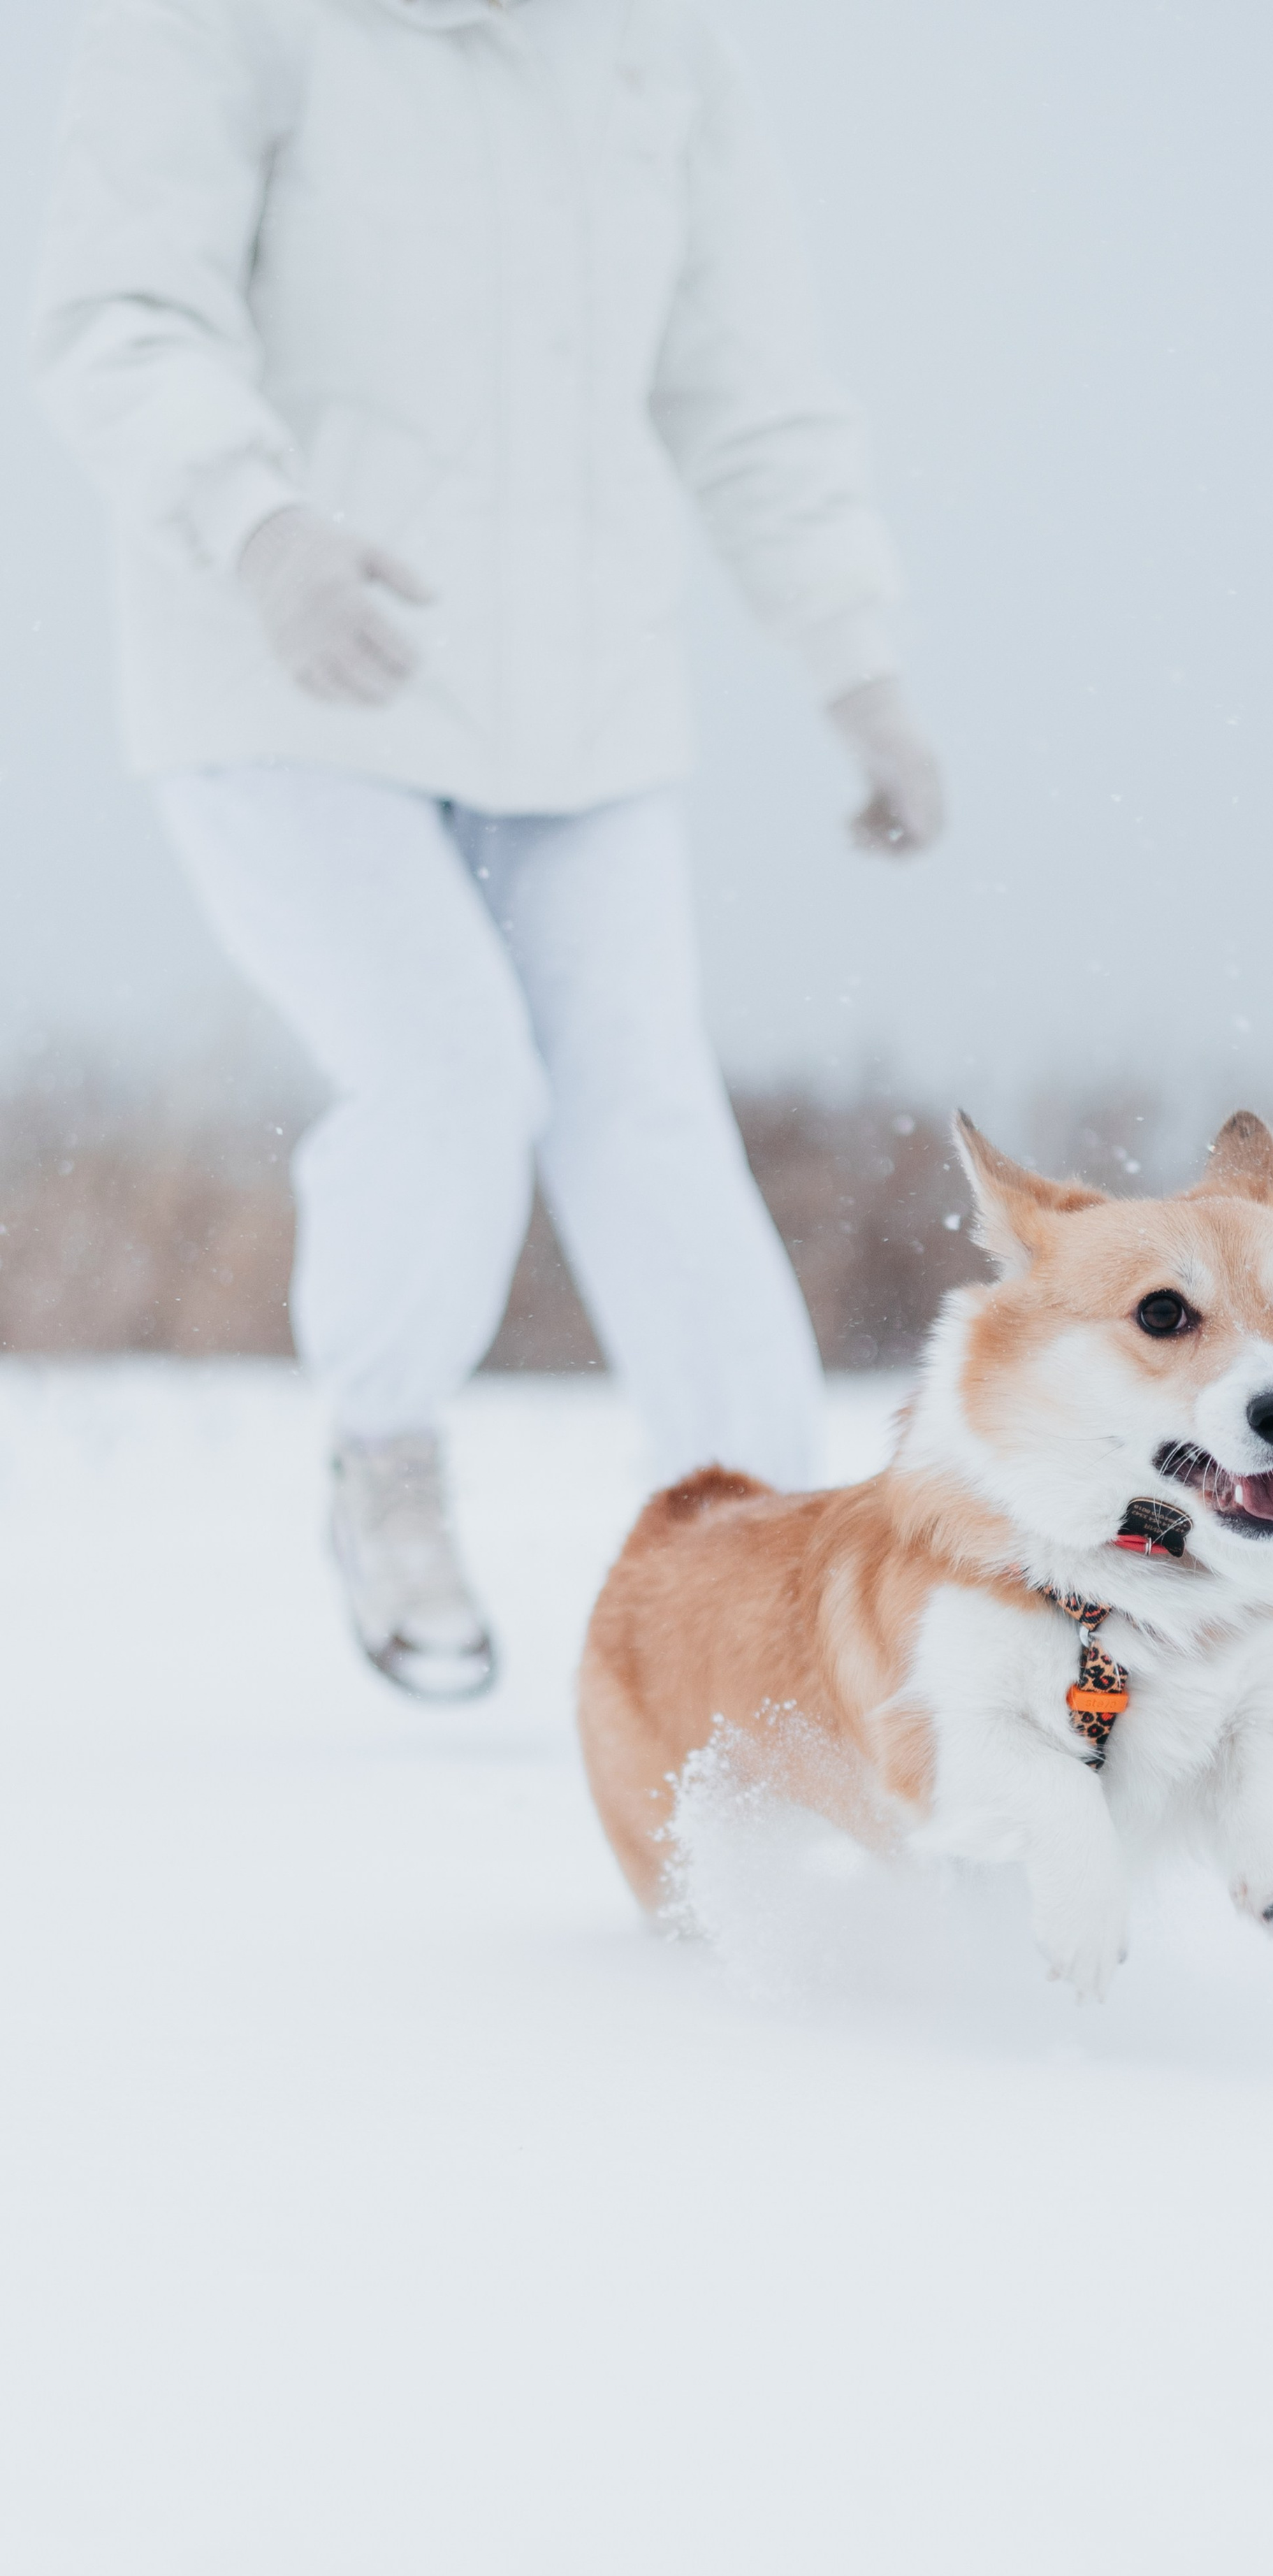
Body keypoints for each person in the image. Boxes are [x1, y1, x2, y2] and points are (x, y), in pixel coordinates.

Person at [32, 0, 944, 1699]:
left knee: (649, 1120)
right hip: (284, 657)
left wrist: (855, 660)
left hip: (578, 705)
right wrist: (256, 518)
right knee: (454, 1079)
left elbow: (744, 382)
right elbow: (119, 310)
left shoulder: (655, 54)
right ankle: (383, 1447)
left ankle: (774, 1581)